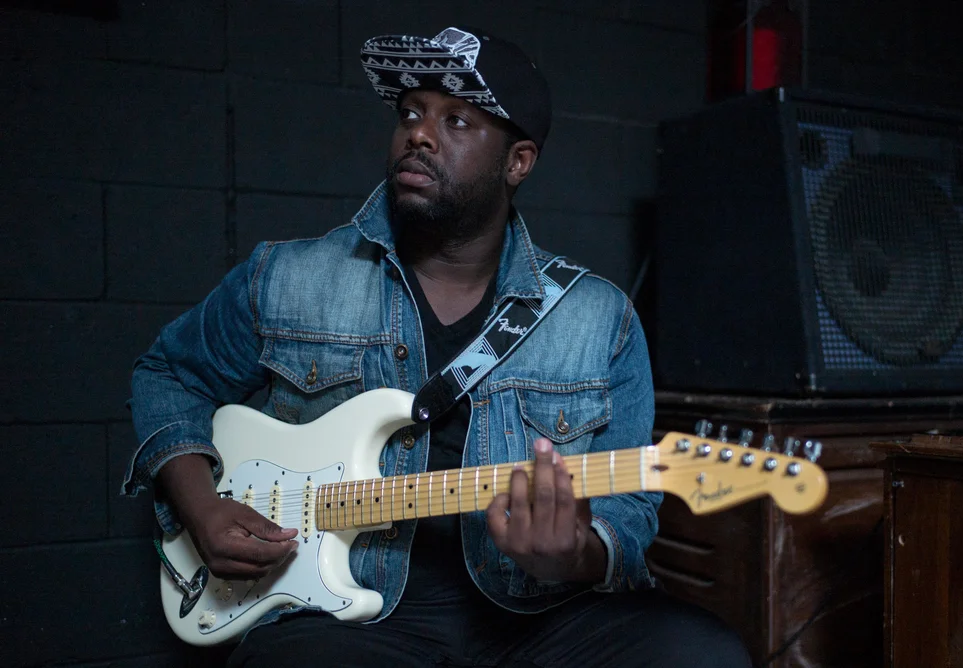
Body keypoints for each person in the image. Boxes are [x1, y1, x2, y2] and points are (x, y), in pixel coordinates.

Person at [122, 25, 751, 668]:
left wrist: (572, 555)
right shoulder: (288, 276)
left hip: (537, 617)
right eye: (410, 114)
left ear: (518, 162)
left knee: (702, 653)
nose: (419, 134)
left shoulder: (599, 318)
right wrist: (201, 507)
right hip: (350, 620)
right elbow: (168, 373)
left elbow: (628, 513)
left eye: (456, 120)